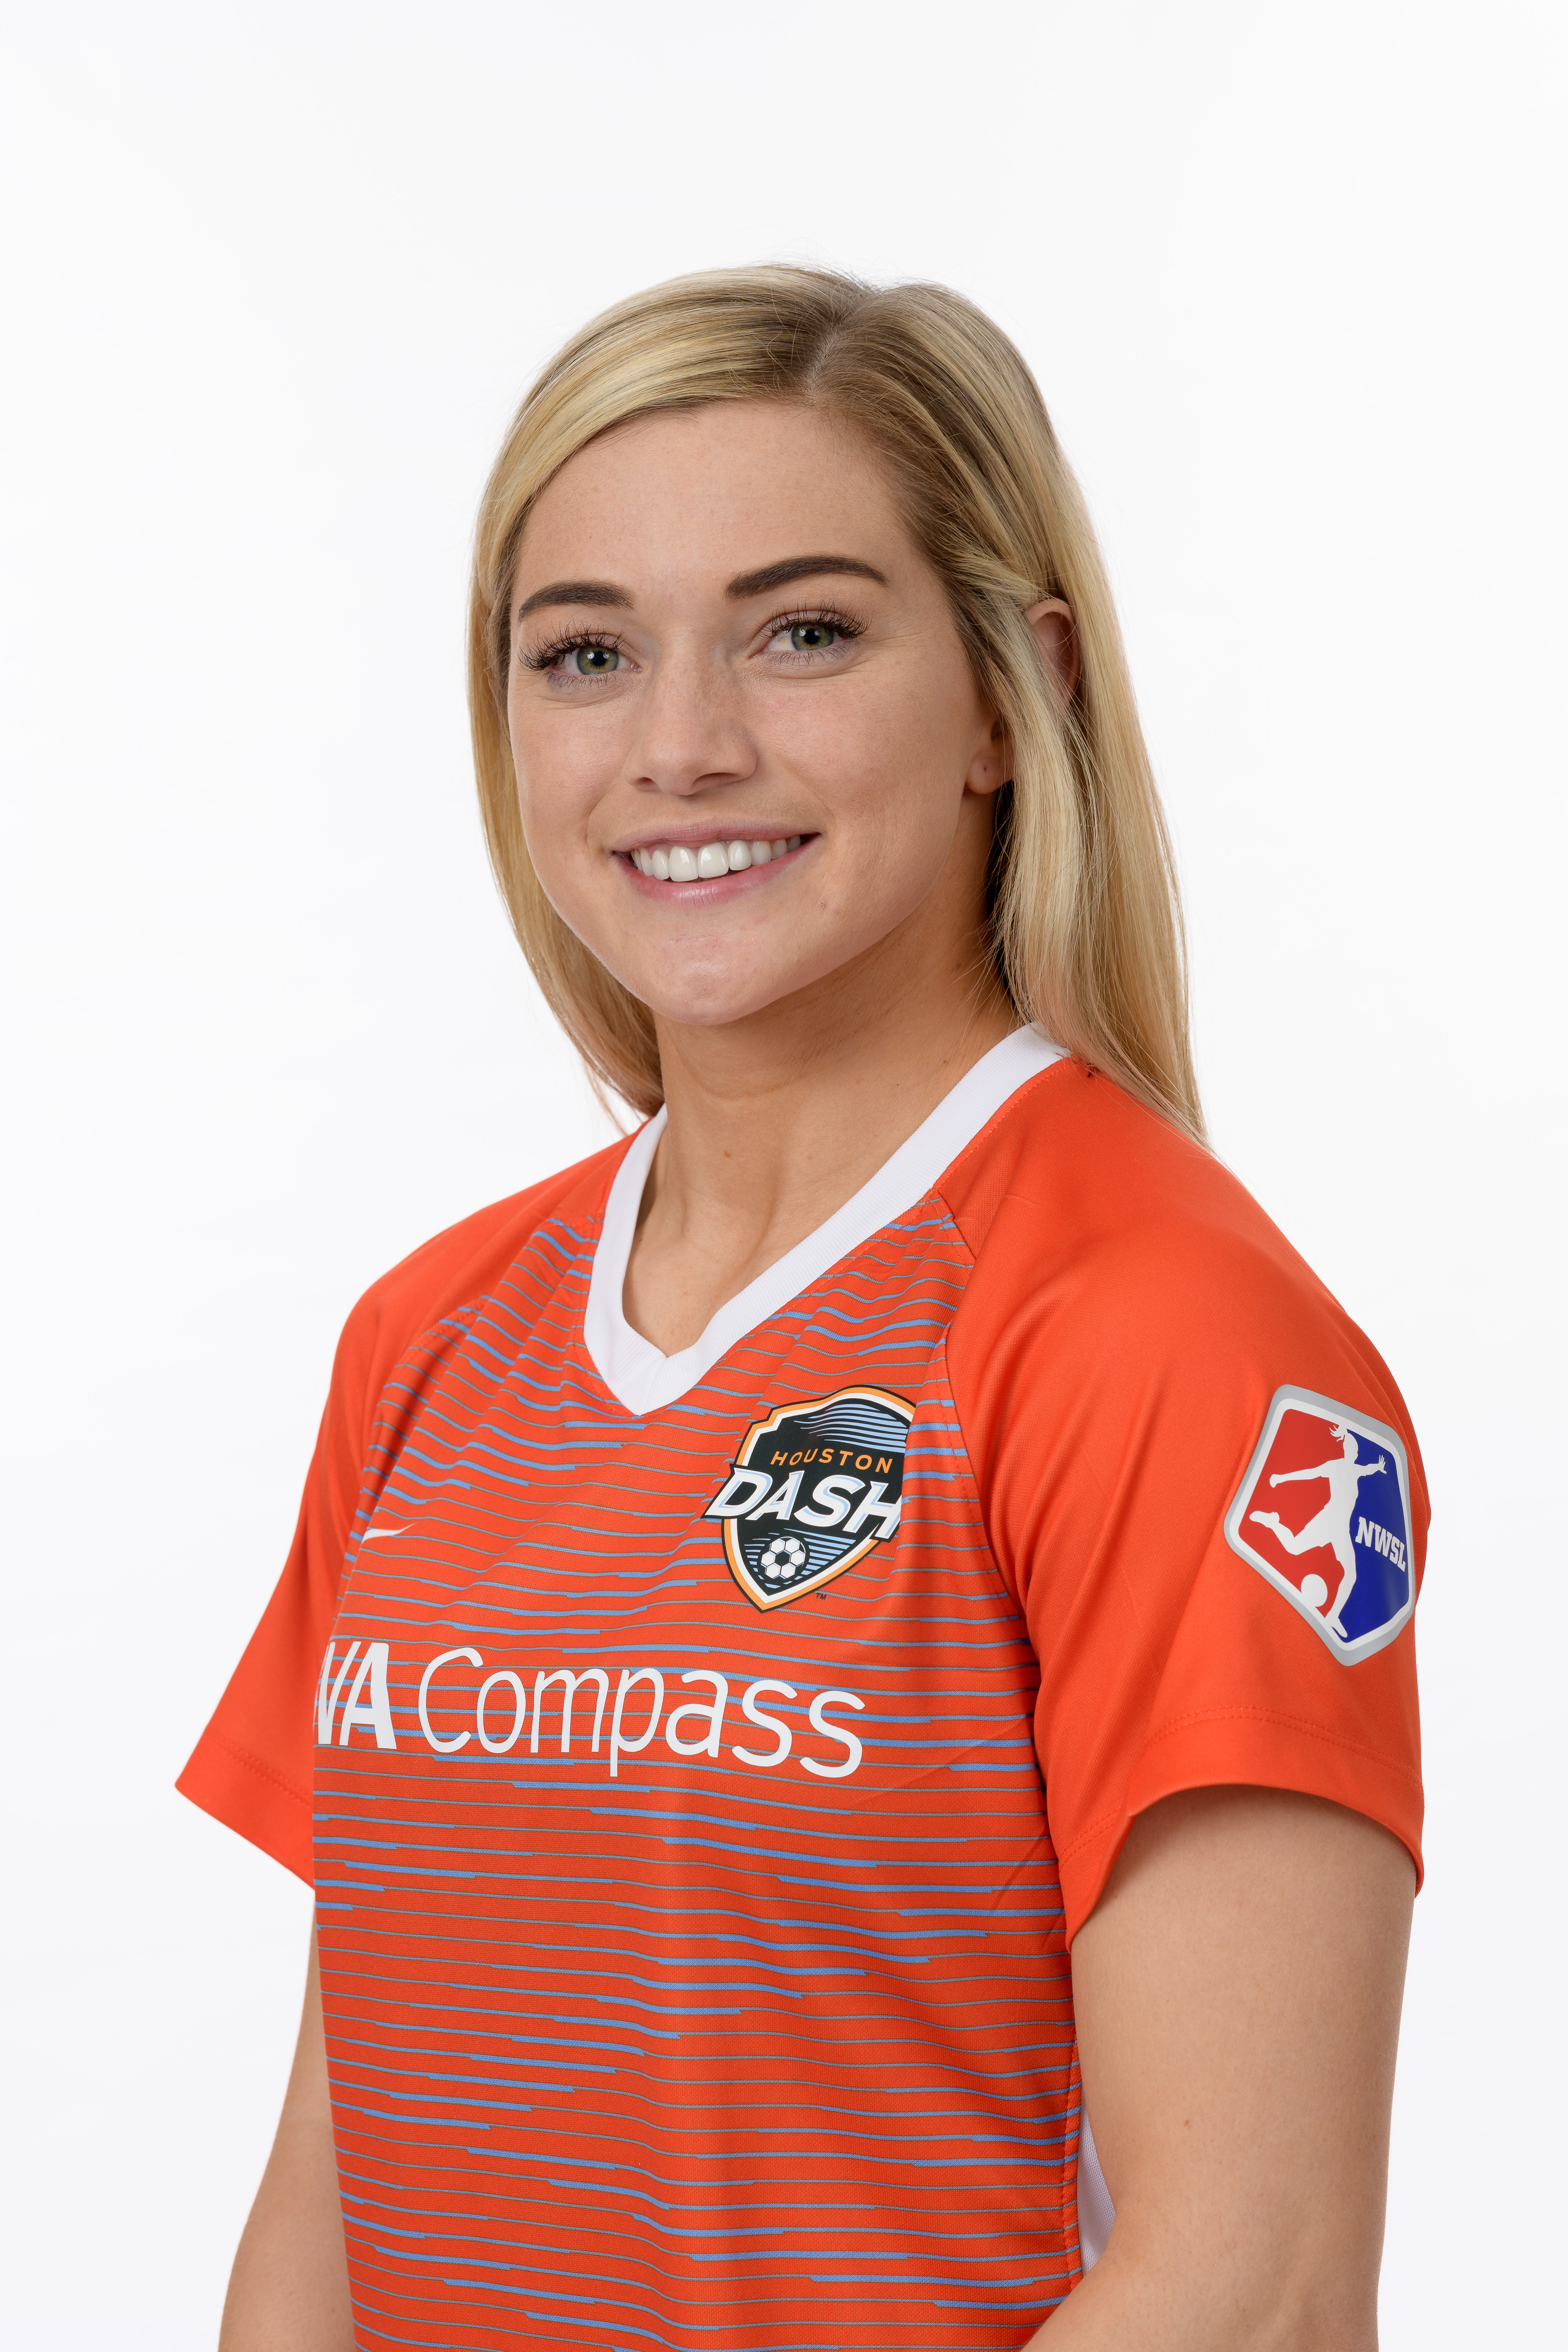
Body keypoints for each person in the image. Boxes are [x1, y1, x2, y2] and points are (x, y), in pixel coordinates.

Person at [181, 267, 1425, 2352]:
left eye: (805, 632)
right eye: (587, 653)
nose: (682, 747)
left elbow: (1258, 2281)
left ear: (1013, 699)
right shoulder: (434, 1337)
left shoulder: (1168, 1338)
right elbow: (337, 2177)